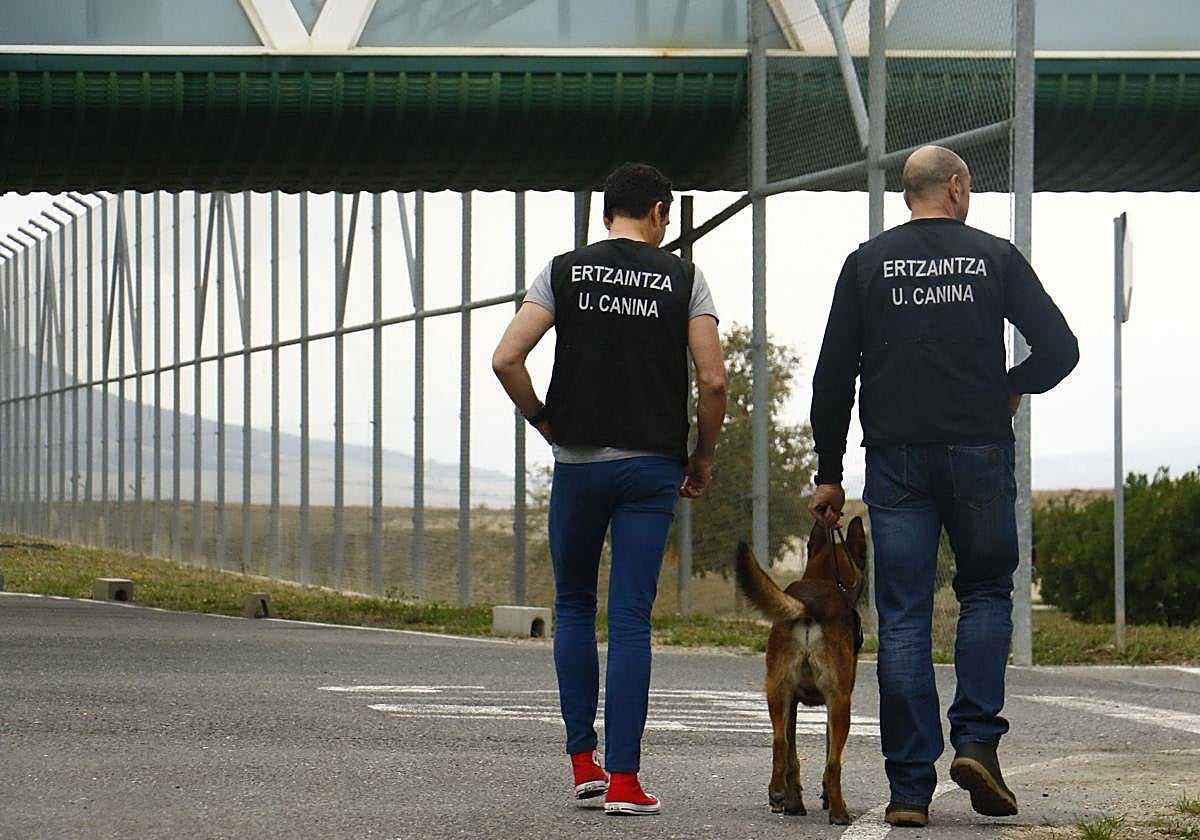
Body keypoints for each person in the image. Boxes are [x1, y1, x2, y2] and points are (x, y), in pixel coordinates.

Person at [807, 145, 1079, 828]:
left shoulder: (867, 263)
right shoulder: (994, 258)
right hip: (978, 452)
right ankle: (978, 741)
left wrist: (830, 472)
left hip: (897, 458)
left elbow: (832, 375)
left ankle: (908, 790)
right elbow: (1062, 348)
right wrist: (1012, 386)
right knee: (986, 591)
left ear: (909, 193)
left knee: (902, 615)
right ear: (955, 188)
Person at [492, 162, 727, 816]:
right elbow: (712, 382)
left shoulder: (564, 270)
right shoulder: (685, 278)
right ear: (657, 213)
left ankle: (582, 764)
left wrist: (542, 418)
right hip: (652, 468)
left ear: (606, 214)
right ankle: (626, 782)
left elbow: (506, 357)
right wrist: (701, 456)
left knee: (573, 606)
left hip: (579, 463)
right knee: (630, 619)